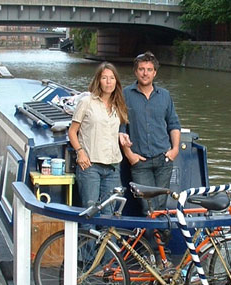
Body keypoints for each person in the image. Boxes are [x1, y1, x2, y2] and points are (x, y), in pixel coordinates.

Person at [120, 51, 181, 214]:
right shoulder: (125, 94)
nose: (145, 73)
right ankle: (148, 239)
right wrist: (130, 155)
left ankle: (159, 240)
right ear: (135, 71)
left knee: (160, 208)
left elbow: (174, 124)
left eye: (149, 69)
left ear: (155, 73)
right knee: (148, 208)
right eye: (141, 69)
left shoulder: (165, 96)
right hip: (140, 161)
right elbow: (120, 127)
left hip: (163, 159)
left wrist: (174, 150)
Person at [68, 62, 129, 214]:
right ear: (98, 80)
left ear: (116, 81)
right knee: (90, 213)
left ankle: (106, 239)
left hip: (113, 167)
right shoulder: (86, 102)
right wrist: (80, 152)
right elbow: (72, 131)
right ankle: (88, 239)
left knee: (109, 215)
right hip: (90, 166)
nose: (109, 82)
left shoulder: (118, 105)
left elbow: (115, 129)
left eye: (112, 78)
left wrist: (121, 134)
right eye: (104, 78)